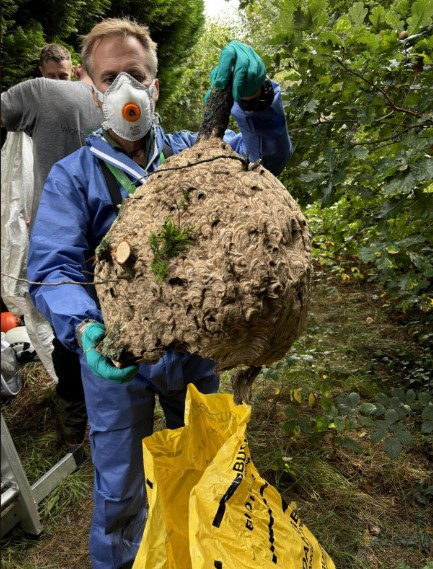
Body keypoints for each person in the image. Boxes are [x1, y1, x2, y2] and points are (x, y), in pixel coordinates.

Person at [27, 17, 292, 569]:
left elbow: (263, 161)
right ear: (88, 84)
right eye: (108, 77)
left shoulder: (193, 156)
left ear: (155, 82)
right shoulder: (77, 175)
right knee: (121, 488)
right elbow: (52, 264)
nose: (124, 88)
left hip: (194, 350)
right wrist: (84, 328)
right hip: (115, 353)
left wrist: (258, 101)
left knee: (205, 462)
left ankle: (199, 553)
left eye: (136, 73)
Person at [1, 58, 102, 447]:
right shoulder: (139, 102)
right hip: (112, 241)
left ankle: (75, 419)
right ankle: (107, 407)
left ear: (79, 69)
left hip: (62, 239)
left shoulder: (40, 92)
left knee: (69, 332)